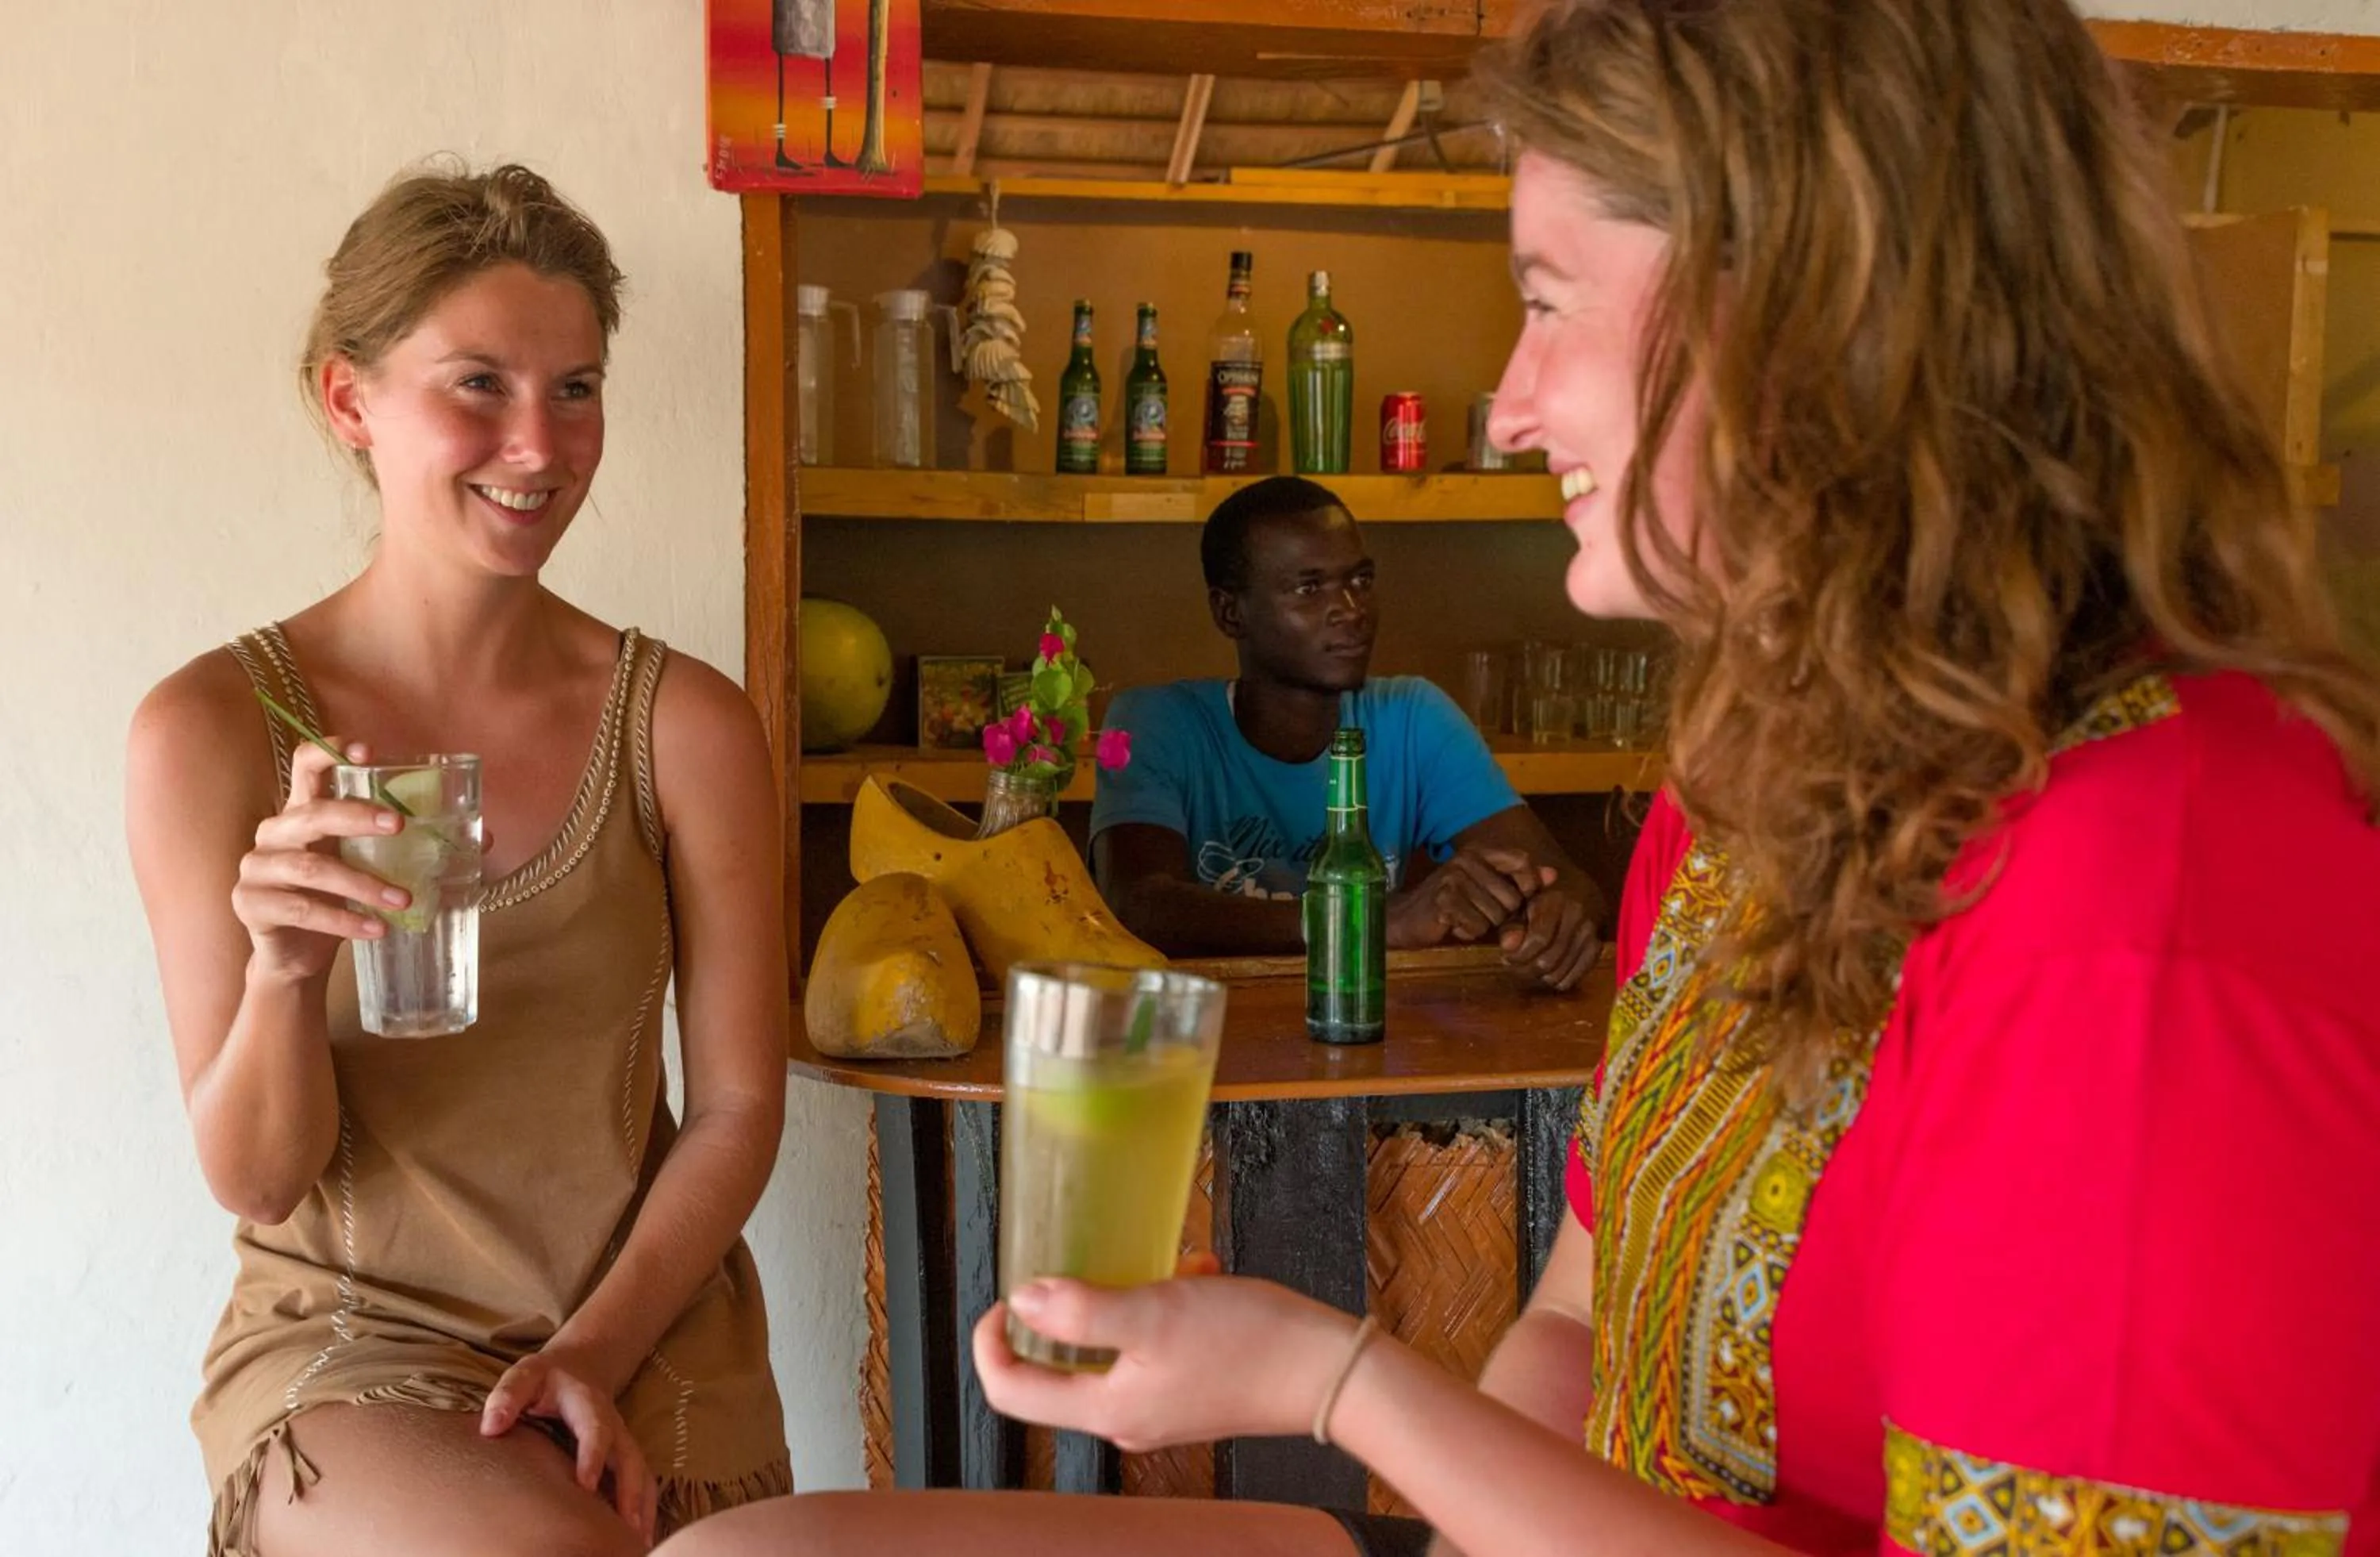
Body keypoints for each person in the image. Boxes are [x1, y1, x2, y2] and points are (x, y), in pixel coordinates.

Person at [658, 0, 2380, 1552]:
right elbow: (1572, 1320)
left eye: (1548, 306)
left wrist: (1335, 1382)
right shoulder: (1754, 783)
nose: (1506, 404)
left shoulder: (2150, 898)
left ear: (1804, 315)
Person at [125, 161, 793, 1556]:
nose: (538, 445)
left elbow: (735, 1108)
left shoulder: (683, 724)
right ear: (350, 400)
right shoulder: (209, 731)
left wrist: (597, 1353)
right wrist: (281, 972)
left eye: (575, 387)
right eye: (477, 383)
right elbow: (258, 1181)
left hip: (650, 1327)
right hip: (365, 1339)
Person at [1092, 475, 1606, 990]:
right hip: (1207, 1039)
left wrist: (1563, 918)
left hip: (1366, 1029)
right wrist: (1370, 921)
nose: (1352, 611)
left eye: (1360, 581)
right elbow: (1139, 903)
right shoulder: (1155, 722)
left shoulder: (1412, 716)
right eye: (1309, 588)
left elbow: (1564, 880)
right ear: (1230, 613)